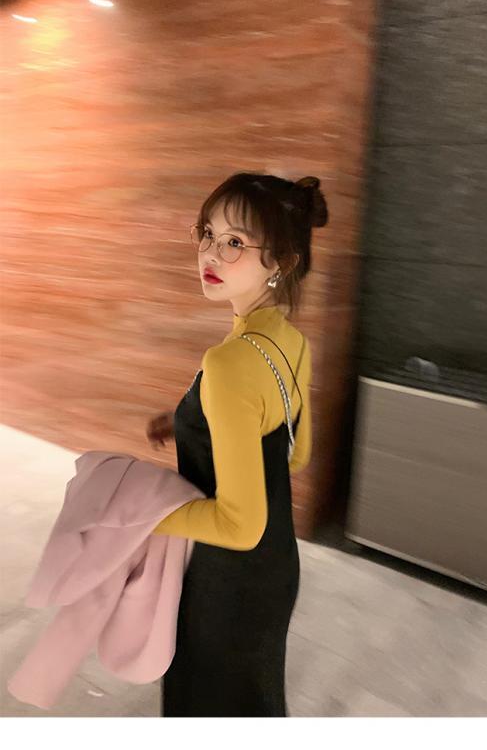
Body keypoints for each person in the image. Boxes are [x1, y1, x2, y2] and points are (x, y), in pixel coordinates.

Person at [147, 165, 328, 717]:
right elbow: (296, 451)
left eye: (234, 243)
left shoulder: (229, 362)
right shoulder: (292, 342)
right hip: (276, 568)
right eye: (207, 234)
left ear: (282, 263)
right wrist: (191, 421)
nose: (209, 253)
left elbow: (239, 525)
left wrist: (143, 517)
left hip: (223, 579)